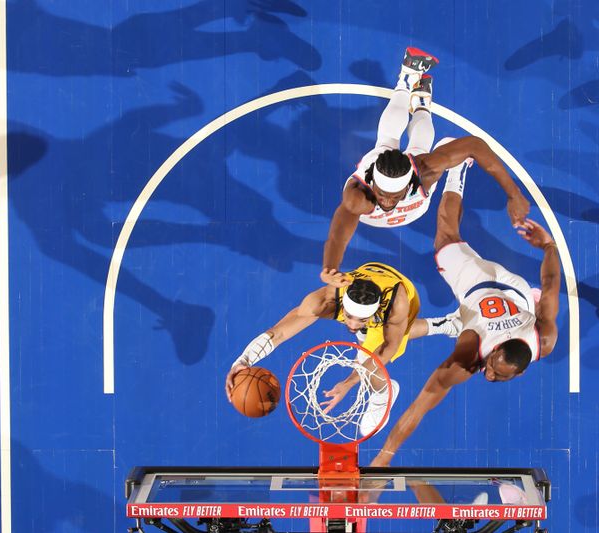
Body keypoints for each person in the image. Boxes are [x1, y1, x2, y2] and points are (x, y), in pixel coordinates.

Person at [370, 179, 562, 466]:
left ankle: (455, 323)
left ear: (519, 374)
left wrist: (550, 248)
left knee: (527, 307)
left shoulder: (545, 341)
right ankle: (458, 170)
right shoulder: (468, 359)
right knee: (445, 238)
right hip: (475, 283)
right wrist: (382, 461)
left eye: (497, 375)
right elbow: (420, 406)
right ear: (496, 351)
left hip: (517, 296)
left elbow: (549, 285)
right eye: (495, 367)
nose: (489, 375)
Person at [321, 47, 530, 288]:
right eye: (383, 195)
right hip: (376, 216)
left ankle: (419, 98)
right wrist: (331, 267)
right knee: (387, 140)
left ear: (408, 183)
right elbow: (338, 235)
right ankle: (409, 84)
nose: (387, 202)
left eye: (394, 196)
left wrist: (514, 194)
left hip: (415, 202)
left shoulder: (423, 170)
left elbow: (475, 145)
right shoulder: (360, 197)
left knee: (421, 147)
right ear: (374, 184)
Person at [225, 262, 462, 434]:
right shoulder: (324, 300)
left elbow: (388, 348)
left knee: (373, 356)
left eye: (361, 320)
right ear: (342, 304)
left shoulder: (396, 305)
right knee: (368, 336)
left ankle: (384, 394)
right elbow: (279, 333)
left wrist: (349, 382)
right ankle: (447, 324)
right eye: (349, 317)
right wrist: (243, 361)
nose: (352, 324)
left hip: (404, 293)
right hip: (370, 273)